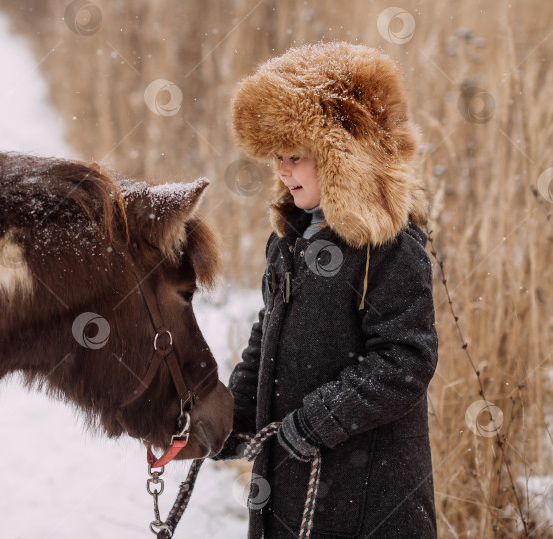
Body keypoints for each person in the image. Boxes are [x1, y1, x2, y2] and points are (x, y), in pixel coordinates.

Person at [212, 41, 440, 538]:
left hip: (370, 499)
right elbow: (266, 341)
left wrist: (320, 419)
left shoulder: (390, 249)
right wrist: (228, 420)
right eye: (276, 157)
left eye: (295, 155)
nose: (281, 171)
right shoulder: (291, 241)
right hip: (288, 484)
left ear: (343, 158)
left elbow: (407, 359)